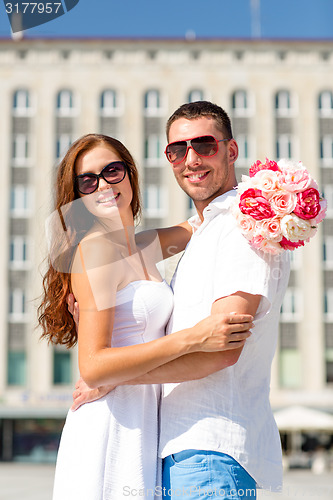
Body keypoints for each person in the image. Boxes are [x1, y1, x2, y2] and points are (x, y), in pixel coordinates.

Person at [73, 102, 290, 499]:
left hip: (207, 446)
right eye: (177, 150)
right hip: (163, 440)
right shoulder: (203, 229)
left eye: (204, 145)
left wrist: (112, 379)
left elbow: (222, 350)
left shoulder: (241, 224)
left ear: (232, 150)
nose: (191, 159)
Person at [38, 133, 253, 500]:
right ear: (78, 195)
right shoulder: (96, 251)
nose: (103, 184)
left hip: (143, 415)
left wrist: (275, 198)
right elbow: (92, 366)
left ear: (130, 175)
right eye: (88, 180)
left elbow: (201, 222)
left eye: (112, 170)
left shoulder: (141, 246)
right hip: (111, 419)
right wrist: (195, 337)